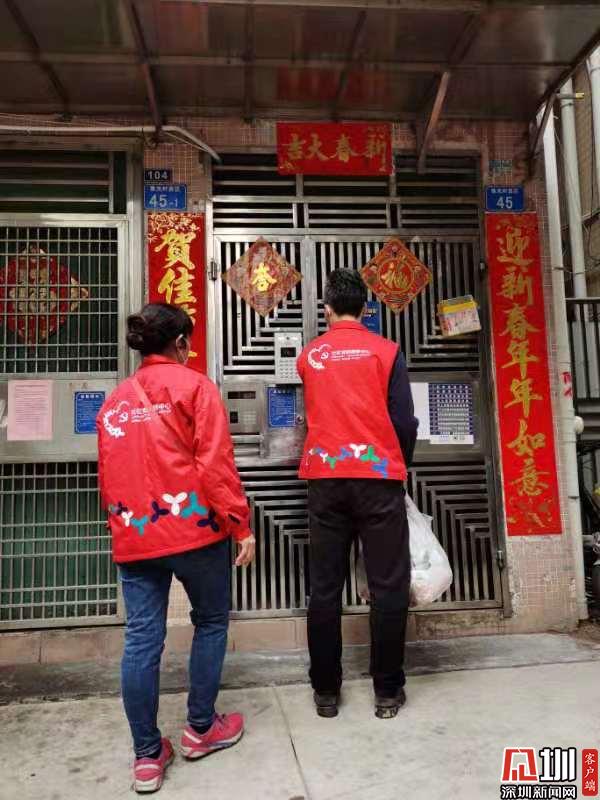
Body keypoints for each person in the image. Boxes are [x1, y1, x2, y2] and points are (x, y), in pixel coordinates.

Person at [97, 303, 255, 793]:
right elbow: (215, 464)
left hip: (136, 535)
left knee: (142, 640)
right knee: (210, 622)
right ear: (181, 342)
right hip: (195, 533)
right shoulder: (196, 387)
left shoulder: (115, 402)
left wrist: (125, 527)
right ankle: (201, 729)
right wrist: (241, 525)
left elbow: (108, 476)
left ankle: (147, 757)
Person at [297, 269, 418, 720]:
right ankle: (387, 691)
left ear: (327, 309)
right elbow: (404, 421)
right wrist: (399, 465)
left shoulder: (310, 356)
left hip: (326, 481)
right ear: (366, 308)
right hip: (378, 479)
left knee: (325, 587)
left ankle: (326, 691)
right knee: (388, 585)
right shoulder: (387, 352)